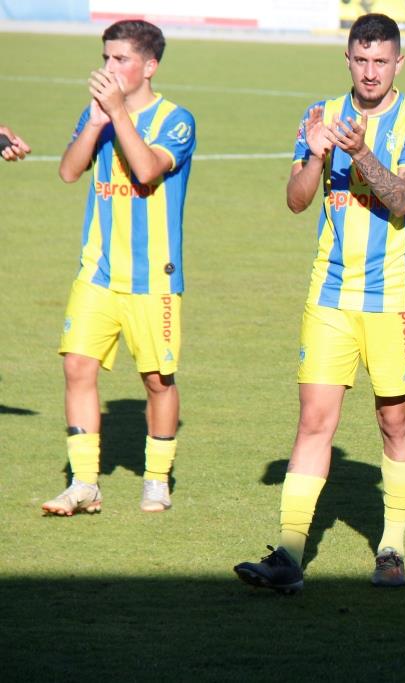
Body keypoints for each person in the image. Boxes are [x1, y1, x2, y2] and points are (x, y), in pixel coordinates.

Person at [234, 13, 405, 593]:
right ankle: (290, 555)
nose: (370, 72)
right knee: (313, 421)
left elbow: (401, 199)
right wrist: (318, 156)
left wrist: (360, 151)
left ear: (399, 63)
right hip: (329, 295)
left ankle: (392, 547)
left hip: (395, 300)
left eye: (381, 62)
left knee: (393, 420)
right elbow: (298, 201)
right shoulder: (320, 115)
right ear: (347, 59)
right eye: (361, 60)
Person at [42, 20, 195, 516]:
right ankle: (85, 482)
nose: (109, 68)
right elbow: (68, 172)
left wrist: (116, 116)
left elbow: (148, 171)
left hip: (155, 279)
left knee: (157, 381)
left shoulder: (177, 120)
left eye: (121, 59)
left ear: (150, 66)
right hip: (98, 273)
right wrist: (93, 122)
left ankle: (155, 479)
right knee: (77, 366)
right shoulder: (97, 115)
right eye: (106, 57)